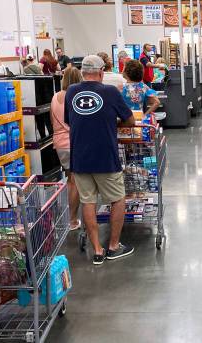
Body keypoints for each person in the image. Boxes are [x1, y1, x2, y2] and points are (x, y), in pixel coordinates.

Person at [65, 55, 135, 265]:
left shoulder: (71, 92)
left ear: (82, 72)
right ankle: (113, 246)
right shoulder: (110, 92)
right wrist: (110, 122)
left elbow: (70, 120)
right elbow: (130, 120)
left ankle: (97, 250)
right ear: (101, 72)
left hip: (80, 157)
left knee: (88, 201)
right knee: (117, 199)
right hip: (105, 156)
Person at [51, 66, 82, 231]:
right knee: (76, 182)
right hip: (74, 143)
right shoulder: (77, 97)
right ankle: (72, 219)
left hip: (60, 144)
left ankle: (70, 217)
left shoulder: (55, 97)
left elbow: (52, 122)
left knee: (70, 180)